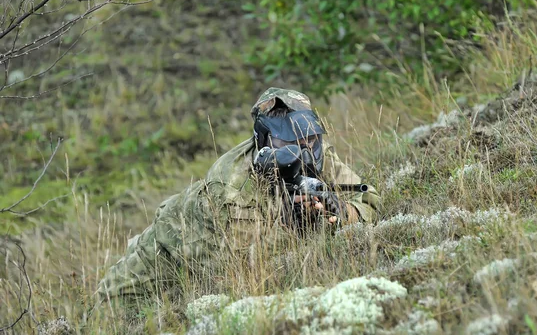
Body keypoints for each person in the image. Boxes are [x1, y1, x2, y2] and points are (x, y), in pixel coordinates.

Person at [96, 88, 380, 304]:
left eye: (310, 141)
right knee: (102, 327)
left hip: (203, 278)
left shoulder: (317, 150)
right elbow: (244, 273)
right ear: (264, 144)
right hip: (159, 264)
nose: (304, 153)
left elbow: (370, 200)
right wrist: (293, 222)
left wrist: (340, 211)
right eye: (289, 145)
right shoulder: (233, 185)